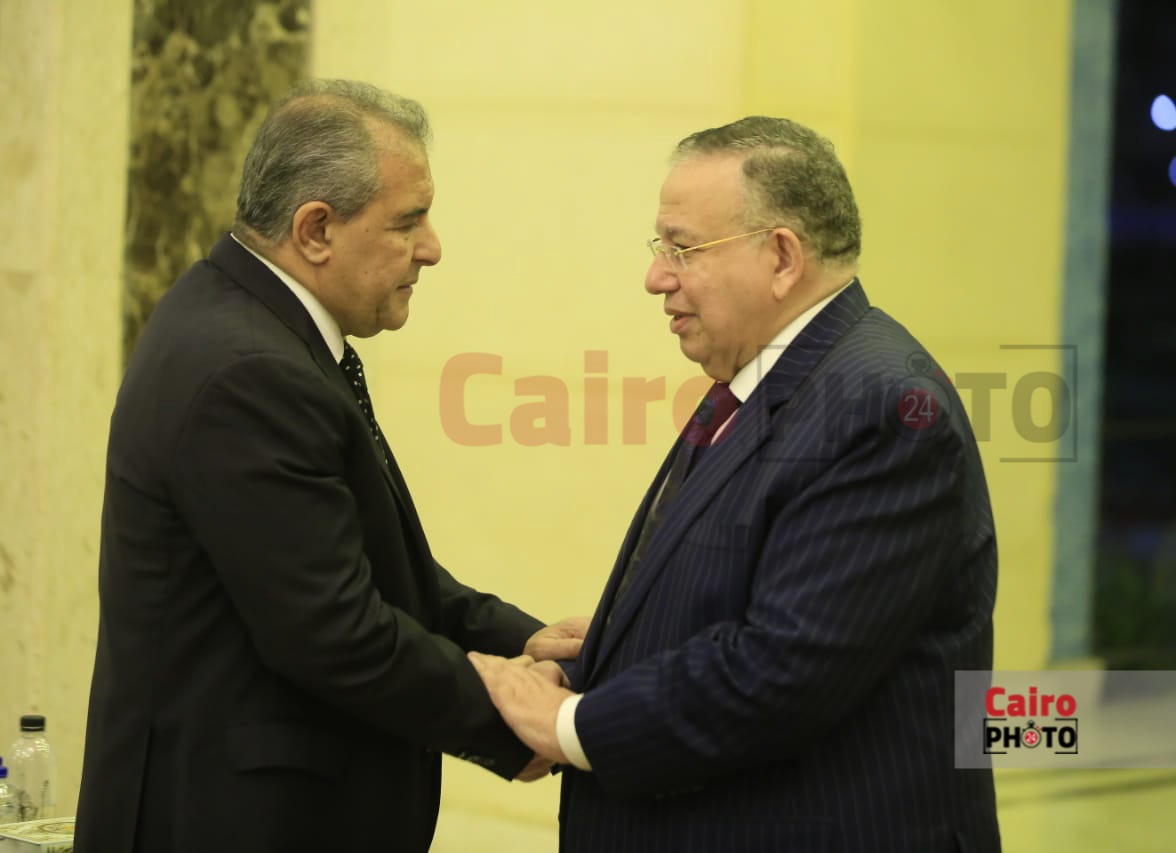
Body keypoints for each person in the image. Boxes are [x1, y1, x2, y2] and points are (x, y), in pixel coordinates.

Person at [75, 79, 584, 853]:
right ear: (316, 229)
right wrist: (513, 714)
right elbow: (335, 629)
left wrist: (532, 641)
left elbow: (365, 564)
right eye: (408, 221)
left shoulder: (255, 328)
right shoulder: (249, 368)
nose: (432, 247)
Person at [469, 116, 1001, 852]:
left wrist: (564, 725)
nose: (657, 277)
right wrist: (609, 653)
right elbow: (746, 597)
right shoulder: (763, 383)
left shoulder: (881, 409)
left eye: (682, 249)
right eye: (660, 249)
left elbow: (785, 668)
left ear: (781, 256)